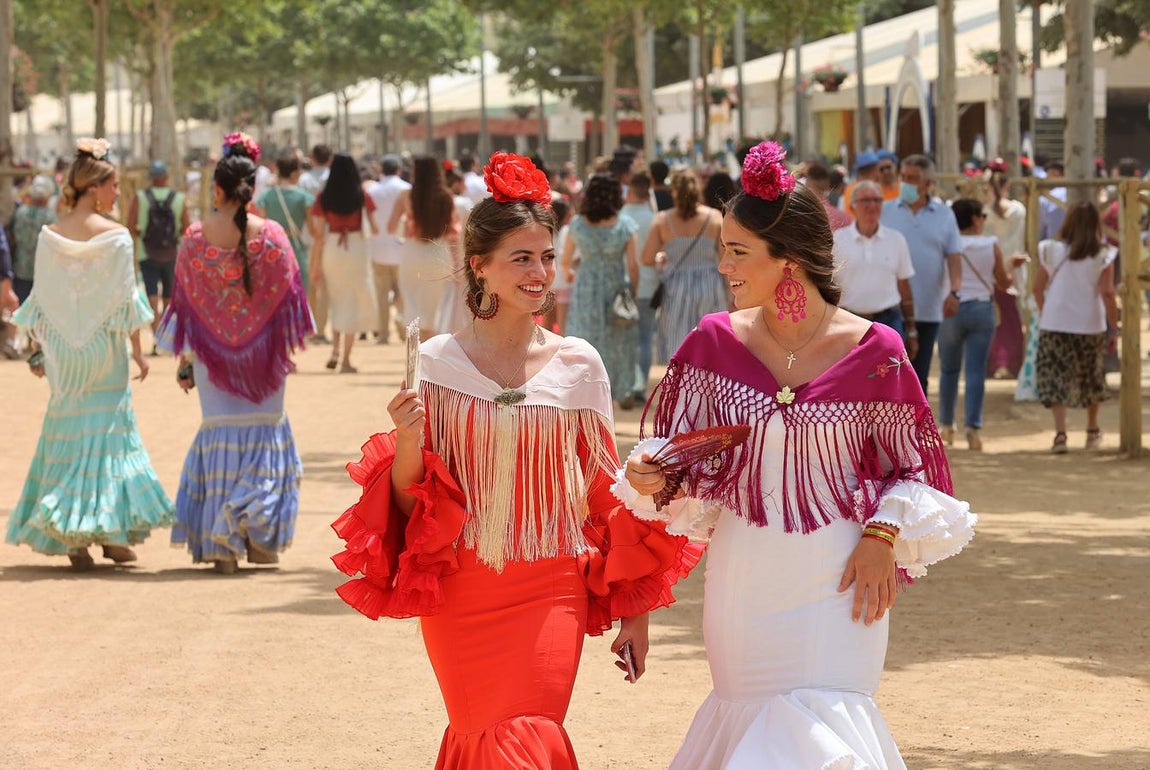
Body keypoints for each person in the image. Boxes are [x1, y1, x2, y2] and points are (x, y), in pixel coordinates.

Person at [615, 142, 976, 770]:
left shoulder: (878, 351)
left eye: (738, 251)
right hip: (745, 583)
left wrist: (883, 535)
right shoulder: (711, 342)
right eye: (723, 247)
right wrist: (650, 473)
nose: (723, 265)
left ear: (790, 259)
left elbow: (916, 472)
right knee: (747, 719)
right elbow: (677, 457)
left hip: (842, 581)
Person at [331, 153, 699, 768]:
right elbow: (410, 503)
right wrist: (408, 441)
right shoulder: (436, 362)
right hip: (461, 588)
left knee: (527, 736)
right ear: (480, 265)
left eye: (547, 257)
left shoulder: (581, 364)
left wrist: (635, 612)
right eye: (522, 258)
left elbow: (607, 497)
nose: (540, 273)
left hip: (552, 587)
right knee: (480, 734)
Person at [6, 138, 174, 570]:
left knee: (69, 432)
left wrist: (39, 351)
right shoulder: (117, 237)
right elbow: (125, 300)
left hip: (64, 352)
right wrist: (138, 352)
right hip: (104, 349)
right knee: (110, 437)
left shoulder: (50, 236)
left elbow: (43, 300)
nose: (118, 192)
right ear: (96, 187)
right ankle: (110, 535)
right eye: (113, 185)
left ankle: (75, 539)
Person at [158, 132, 313, 574]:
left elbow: (185, 308)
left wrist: (187, 360)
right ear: (252, 188)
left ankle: (221, 546)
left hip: (212, 363)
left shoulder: (194, 239)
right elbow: (291, 299)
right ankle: (258, 540)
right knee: (265, 434)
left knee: (219, 434)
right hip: (264, 364)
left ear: (217, 189)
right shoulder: (274, 236)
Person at [1033, 202, 1119, 454]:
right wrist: (1113, 327)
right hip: (1090, 324)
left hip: (1055, 323)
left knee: (1056, 376)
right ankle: (1092, 429)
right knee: (1091, 376)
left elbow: (1037, 288)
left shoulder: (1050, 250)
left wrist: (1047, 312)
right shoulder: (1103, 254)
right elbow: (1108, 293)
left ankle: (1060, 433)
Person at [881, 154, 964, 394]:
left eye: (913, 178)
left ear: (928, 183)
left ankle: (919, 420)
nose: (905, 183)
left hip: (928, 308)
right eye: (904, 176)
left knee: (919, 377)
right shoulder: (885, 211)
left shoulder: (944, 215)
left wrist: (955, 291)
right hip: (890, 308)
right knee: (886, 377)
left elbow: (954, 256)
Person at [937, 199, 1012, 451]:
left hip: (950, 308)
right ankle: (973, 428)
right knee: (976, 370)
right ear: (975, 218)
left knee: (949, 370)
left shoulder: (947, 244)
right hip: (981, 307)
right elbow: (1003, 281)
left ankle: (946, 424)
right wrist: (1012, 267)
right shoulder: (991, 245)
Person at [562, 173, 642, 408]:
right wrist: (633, 292)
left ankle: (584, 391)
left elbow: (565, 260)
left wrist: (572, 271)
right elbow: (633, 266)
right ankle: (623, 389)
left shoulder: (577, 224)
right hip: (616, 288)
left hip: (586, 288)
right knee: (620, 341)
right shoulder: (625, 225)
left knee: (585, 337)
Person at [639, 168, 727, 363]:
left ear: (674, 192)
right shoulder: (714, 217)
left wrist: (662, 259)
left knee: (676, 342)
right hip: (710, 285)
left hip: (676, 286)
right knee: (710, 343)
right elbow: (725, 259)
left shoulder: (663, 219)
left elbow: (646, 258)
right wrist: (730, 296)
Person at [309, 153, 379, 373]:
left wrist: (315, 263)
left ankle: (334, 351)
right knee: (352, 303)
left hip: (333, 247)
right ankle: (346, 359)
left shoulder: (324, 196)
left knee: (337, 301)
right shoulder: (361, 195)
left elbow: (319, 234)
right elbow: (375, 228)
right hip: (356, 247)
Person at [832, 181, 917, 351]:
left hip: (889, 322)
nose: (872, 205)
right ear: (853, 205)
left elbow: (904, 286)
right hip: (849, 321)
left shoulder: (896, 240)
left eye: (877, 200)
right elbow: (829, 284)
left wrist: (911, 329)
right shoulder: (837, 240)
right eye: (865, 200)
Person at [389, 155, 459, 341]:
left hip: (412, 251)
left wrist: (406, 223)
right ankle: (428, 350)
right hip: (439, 250)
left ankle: (413, 349)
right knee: (433, 308)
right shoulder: (446, 196)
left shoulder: (406, 196)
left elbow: (390, 227)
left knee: (411, 302)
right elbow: (453, 231)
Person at [128, 159, 190, 354]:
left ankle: (156, 336)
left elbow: (131, 226)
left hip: (147, 253)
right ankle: (165, 338)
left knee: (151, 295)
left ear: (151, 178)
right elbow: (186, 228)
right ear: (166, 177)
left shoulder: (140, 197)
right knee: (168, 297)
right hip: (171, 254)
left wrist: (143, 235)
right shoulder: (179, 198)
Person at [982, 167, 1028, 380]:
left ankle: (994, 361)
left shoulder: (984, 212)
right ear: (1008, 185)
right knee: (1012, 318)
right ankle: (1012, 361)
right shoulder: (1019, 210)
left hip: (991, 270)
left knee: (995, 319)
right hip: (1015, 268)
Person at [365, 154, 410, 343]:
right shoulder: (407, 189)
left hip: (378, 249)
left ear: (381, 170)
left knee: (381, 294)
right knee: (404, 294)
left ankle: (383, 333)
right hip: (402, 249)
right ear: (399, 170)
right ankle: (403, 327)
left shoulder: (372, 190)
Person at [620, 172, 657, 402]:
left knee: (626, 339)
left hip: (625, 284)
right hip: (650, 283)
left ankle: (627, 385)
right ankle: (640, 386)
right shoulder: (654, 217)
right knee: (645, 338)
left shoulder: (622, 216)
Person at [256, 155, 315, 296]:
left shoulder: (266, 196)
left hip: (272, 247)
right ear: (294, 174)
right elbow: (312, 229)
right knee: (299, 291)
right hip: (296, 246)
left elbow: (260, 226)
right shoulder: (304, 197)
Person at [10, 174, 57, 305]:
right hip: (42, 272)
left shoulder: (20, 212)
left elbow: (13, 238)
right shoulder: (50, 217)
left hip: (20, 270)